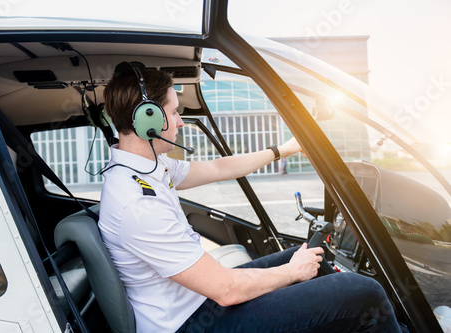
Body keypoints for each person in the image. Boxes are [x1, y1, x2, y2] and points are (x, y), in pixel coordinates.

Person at [98, 62, 402, 333]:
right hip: (193, 321)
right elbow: (226, 290)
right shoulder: (137, 202)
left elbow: (219, 167)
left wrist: (283, 150)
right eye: (175, 111)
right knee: (365, 293)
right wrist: (291, 272)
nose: (180, 121)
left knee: (314, 255)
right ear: (147, 118)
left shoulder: (149, 167)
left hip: (198, 299)